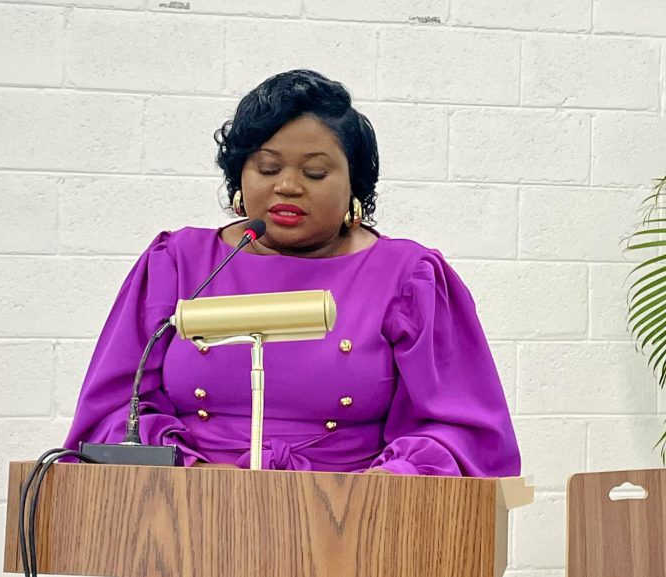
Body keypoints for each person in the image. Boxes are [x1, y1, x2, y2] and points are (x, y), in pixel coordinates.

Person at [63, 70, 520, 477]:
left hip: (354, 517)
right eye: (267, 167)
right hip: (183, 508)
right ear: (239, 177)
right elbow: (116, 411)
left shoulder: (409, 277)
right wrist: (196, 478)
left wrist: (382, 487)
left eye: (315, 172)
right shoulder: (178, 262)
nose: (287, 185)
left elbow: (457, 430)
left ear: (354, 185)